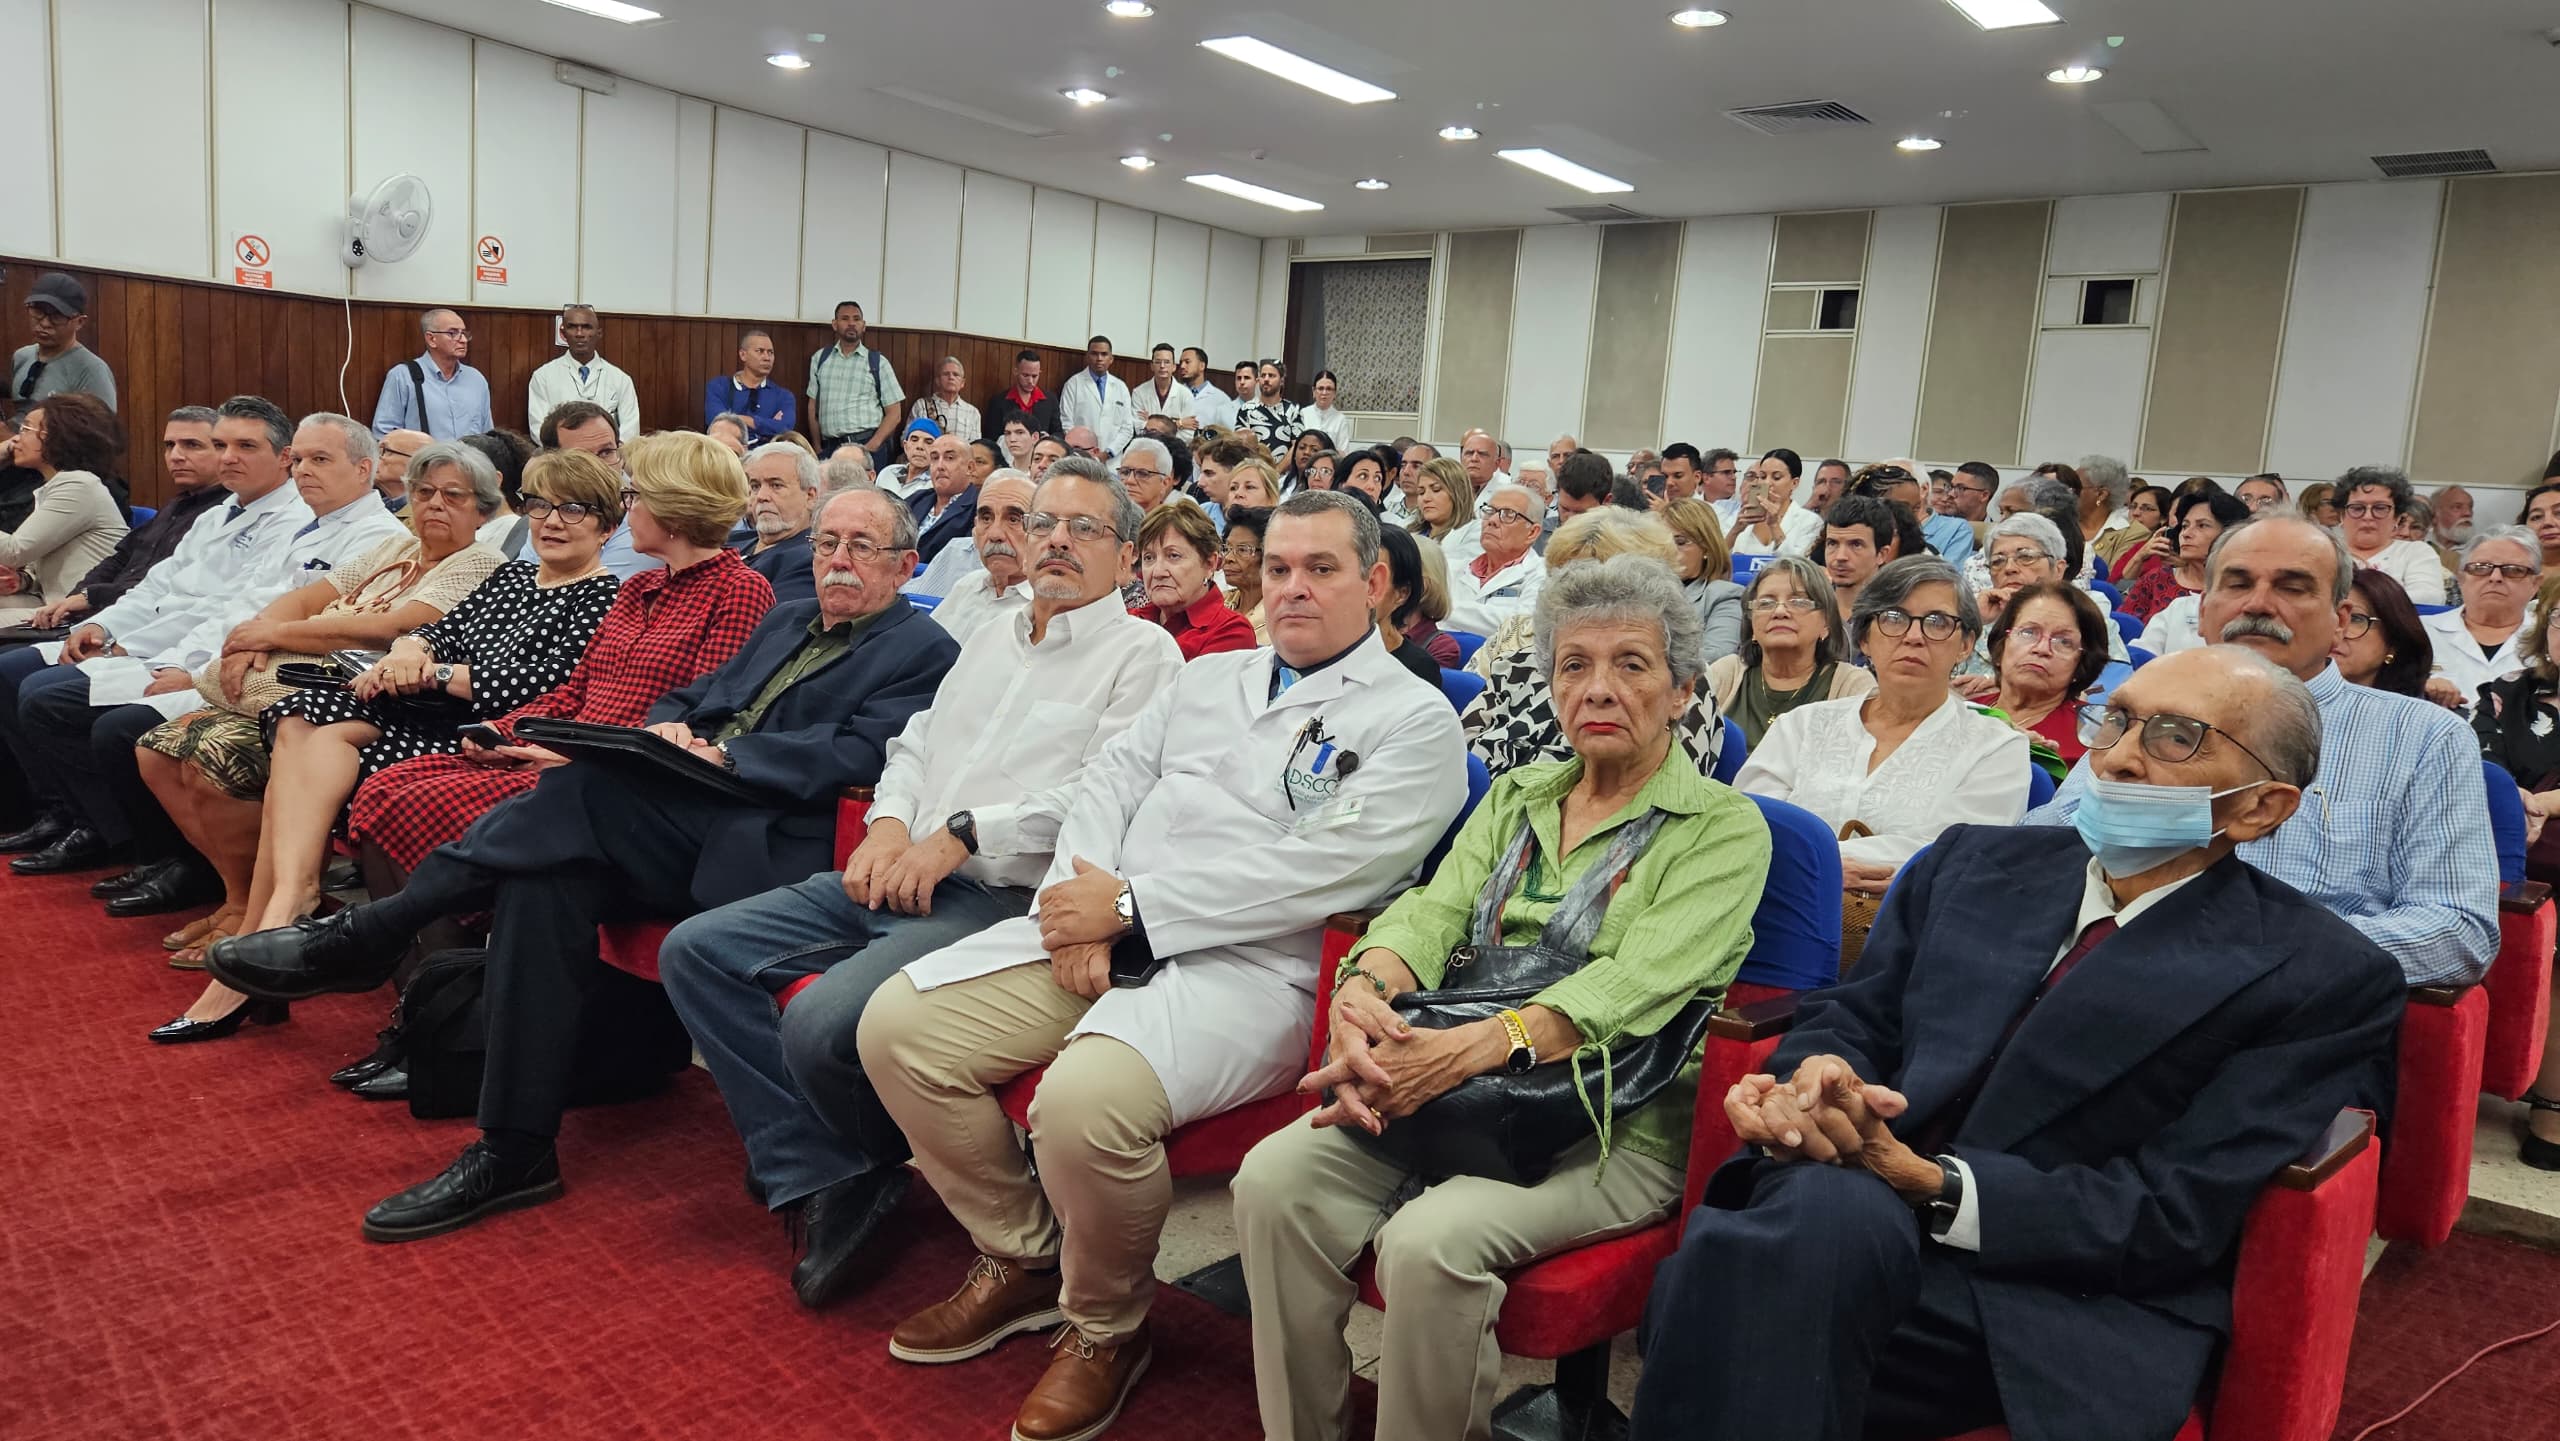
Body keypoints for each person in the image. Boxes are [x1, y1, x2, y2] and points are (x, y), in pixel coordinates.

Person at [1634, 648, 2400, 1441]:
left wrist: (1928, 1181)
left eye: (2176, 736)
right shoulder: (1973, 861)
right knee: (1810, 1231)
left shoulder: (2319, 974)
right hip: (1841, 1204)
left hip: (2041, 1289)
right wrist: (1817, 1079)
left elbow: (2173, 1211)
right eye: (2117, 719)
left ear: (2261, 807)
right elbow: (1855, 1015)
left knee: (1734, 1274)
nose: (2119, 755)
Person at [849, 490, 1468, 1441]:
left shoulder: (1414, 721)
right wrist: (1081, 907)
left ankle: (1106, 1326)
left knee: (1082, 1107)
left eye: (1322, 569)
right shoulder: (1210, 676)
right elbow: (1109, 782)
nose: (1293, 588)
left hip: (1249, 967)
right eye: (1278, 568)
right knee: (898, 1031)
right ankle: (1023, 1252)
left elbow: (1323, 870)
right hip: (1100, 930)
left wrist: (1134, 909)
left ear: (1378, 581)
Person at [211, 488, 954, 1246]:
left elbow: (860, 753)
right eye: (827, 542)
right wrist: (671, 728)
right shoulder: (788, 618)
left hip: (766, 843)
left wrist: (728, 754)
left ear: (906, 565)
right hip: (676, 811)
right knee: (545, 877)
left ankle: (375, 932)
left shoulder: (926, 651)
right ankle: (515, 1147)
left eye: (861, 546)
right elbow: (695, 695)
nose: (837, 559)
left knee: (579, 789)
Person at [1236, 555, 1772, 1441]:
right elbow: (1429, 913)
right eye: (1574, 664)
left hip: (1611, 1115)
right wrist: (1363, 996)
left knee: (1429, 1242)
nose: (1598, 687)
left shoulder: (1722, 826)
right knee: (1271, 1181)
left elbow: (1629, 985)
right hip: (1451, 1085)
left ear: (1682, 691)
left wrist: (1463, 1052)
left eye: (1631, 664)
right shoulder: (1518, 795)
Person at [650, 461, 1178, 1305]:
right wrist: (891, 823)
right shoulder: (992, 637)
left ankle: (837, 1166)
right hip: (902, 863)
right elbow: (915, 743)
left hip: (1001, 896)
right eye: (1043, 523)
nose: (1057, 541)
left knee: (823, 1022)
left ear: (1127, 553)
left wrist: (959, 836)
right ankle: (830, 1169)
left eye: (1085, 528)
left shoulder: (1143, 655)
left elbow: (1102, 793)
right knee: (696, 951)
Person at [187, 448, 622, 1067]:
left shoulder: (601, 596)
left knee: (317, 731)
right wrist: (409, 650)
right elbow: (441, 629)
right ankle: (291, 899)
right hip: (421, 709)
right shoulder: (515, 578)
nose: (551, 521)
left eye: (573, 510)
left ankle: (280, 917)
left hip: (471, 729)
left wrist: (432, 671)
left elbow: (533, 685)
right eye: (540, 506)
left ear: (607, 526)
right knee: (299, 713)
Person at [2030, 515, 2497, 987]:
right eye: (2237, 584)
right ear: (2204, 611)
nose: (2258, 605)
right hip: (2100, 967)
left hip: (2280, 999)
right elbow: (2041, 850)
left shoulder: (2422, 737)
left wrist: (2253, 955)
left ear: (2340, 622)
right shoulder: (2139, 710)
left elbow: (2457, 928)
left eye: (2293, 588)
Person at [138, 448, 506, 1027]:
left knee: (259, 734)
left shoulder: (480, 562)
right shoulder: (397, 547)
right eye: (423, 492)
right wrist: (260, 633)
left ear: (482, 509)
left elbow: (393, 628)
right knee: (165, 741)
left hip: (374, 696)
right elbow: (309, 597)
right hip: (317, 689)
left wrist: (275, 637)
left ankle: (267, 924)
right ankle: (261, 915)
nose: (434, 504)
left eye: (453, 495)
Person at [2, 405, 405, 894]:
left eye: (318, 460)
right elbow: (183, 592)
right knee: (36, 688)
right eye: (301, 459)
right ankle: (129, 841)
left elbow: (298, 626)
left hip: (278, 677)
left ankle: (178, 861)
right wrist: (109, 629)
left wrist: (190, 670)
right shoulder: (289, 523)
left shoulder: (375, 537)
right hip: (201, 651)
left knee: (109, 725)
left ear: (363, 469)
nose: (303, 471)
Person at [1736, 556, 2031, 900]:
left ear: (1965, 645)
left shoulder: (1997, 749)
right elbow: (1748, 824)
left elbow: (1949, 854)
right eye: (1893, 618)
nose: (1914, 637)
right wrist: (1823, 868)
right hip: (1779, 906)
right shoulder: (1801, 726)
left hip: (1908, 919)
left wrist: (1812, 863)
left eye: (1937, 622)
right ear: (1864, 638)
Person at [1461, 511, 1726, 779]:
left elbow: (1671, 788)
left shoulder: (1679, 678)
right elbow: (1460, 756)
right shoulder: (1515, 664)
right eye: (1565, 580)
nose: (1583, 600)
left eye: (1604, 585)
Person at [17, 406, 225, 646]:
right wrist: (77, 596)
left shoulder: (224, 513)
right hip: (99, 613)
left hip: (145, 628)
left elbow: (165, 585)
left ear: (224, 452)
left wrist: (90, 597)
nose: (176, 455)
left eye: (192, 445)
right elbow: (119, 558)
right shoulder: (178, 504)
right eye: (170, 445)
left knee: (13, 662)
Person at [1706, 556, 1876, 748]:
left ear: (1826, 624)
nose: (1780, 612)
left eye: (1798, 602)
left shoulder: (1852, 686)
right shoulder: (1725, 673)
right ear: (1751, 623)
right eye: (1766, 603)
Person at [0, 393, 129, 612]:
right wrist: (22, 580)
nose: (16, 439)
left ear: (59, 438)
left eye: (26, 429)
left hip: (82, 612)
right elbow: (42, 565)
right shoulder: (53, 486)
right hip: (51, 603)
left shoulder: (78, 485)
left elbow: (14, 551)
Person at [1984, 580, 2111, 764]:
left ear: (2081, 664)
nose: (2042, 649)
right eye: (2028, 632)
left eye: (2064, 642)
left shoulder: (2090, 741)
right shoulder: (1965, 707)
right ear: (2001, 645)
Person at [2424, 527, 2539, 710]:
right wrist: (2419, 688)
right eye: (2480, 568)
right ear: (2461, 578)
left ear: (2535, 584)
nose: (2495, 577)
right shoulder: (2420, 631)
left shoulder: (2549, 636)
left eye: (2513, 570)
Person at [1131, 499, 1255, 660]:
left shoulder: (1232, 632)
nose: (1158, 572)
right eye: (1149, 557)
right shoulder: (1129, 619)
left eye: (1173, 556)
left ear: (1210, 564)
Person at [2122, 488, 2247, 622]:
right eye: (2184, 526)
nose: (2186, 534)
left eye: (2202, 525)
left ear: (2230, 533)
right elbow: (2121, 626)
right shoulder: (2156, 579)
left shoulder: (2243, 587)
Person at [10, 273, 116, 423]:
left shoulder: (92, 370)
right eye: (38, 312)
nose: (45, 323)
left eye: (57, 317)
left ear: (79, 322)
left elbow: (102, 432)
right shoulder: (21, 356)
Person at [370, 309, 491, 441]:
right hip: (422, 455)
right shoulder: (403, 376)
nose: (463, 340)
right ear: (431, 339)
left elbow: (487, 435)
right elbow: (384, 434)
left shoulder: (476, 380)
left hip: (470, 454)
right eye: (453, 333)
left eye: (464, 333)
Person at [1447, 480, 1546, 636]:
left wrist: (1444, 609)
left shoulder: (1543, 574)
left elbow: (1521, 626)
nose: (1492, 521)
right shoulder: (1453, 568)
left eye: (1508, 514)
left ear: (1532, 532)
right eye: (1489, 511)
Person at [525, 305, 640, 440]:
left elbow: (630, 429)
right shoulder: (543, 377)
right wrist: (570, 450)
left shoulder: (620, 379)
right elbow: (538, 428)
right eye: (572, 327)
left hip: (607, 452)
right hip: (562, 452)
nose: (579, 334)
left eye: (586, 327)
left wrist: (607, 449)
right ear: (563, 333)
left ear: (599, 333)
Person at [2336, 465, 2446, 605]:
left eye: (2380, 508)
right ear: (2342, 516)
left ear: (2397, 517)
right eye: (2357, 508)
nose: (2368, 516)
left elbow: (2430, 597)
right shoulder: (2326, 551)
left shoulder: (2415, 552)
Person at [807, 301, 902, 457]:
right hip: (830, 448)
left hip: (866, 445)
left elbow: (894, 413)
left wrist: (872, 446)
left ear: (863, 326)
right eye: (845, 318)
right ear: (835, 324)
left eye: (856, 319)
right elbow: (812, 407)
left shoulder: (878, 362)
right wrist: (817, 447)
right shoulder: (820, 359)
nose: (851, 323)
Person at [739, 442, 821, 605]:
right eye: (755, 486)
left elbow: (770, 617)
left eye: (776, 485)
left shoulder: (808, 560)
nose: (761, 496)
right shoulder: (731, 539)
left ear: (810, 496)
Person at [1663, 498, 1744, 661]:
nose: (1669, 550)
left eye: (1680, 542)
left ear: (1706, 547)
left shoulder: (1724, 595)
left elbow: (1717, 655)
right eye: (1662, 542)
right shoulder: (1642, 592)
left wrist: (1652, 661)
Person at [2332, 568, 2432, 697]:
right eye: (2330, 616)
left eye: (2356, 619)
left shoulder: (2416, 709)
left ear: (2394, 644)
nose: (2336, 629)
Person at [1371, 526, 1445, 686]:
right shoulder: (1322, 651)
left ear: (1401, 593)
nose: (1361, 590)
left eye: (1374, 581)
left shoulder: (1418, 668)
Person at [1815, 493, 1905, 618]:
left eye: (1856, 545)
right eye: (1832, 543)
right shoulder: (1809, 610)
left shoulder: (1897, 616)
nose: (1840, 556)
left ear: (1881, 554)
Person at [1727, 448, 1823, 558]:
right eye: (1763, 477)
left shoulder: (1810, 522)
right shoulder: (1740, 516)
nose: (1767, 483)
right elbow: (1716, 559)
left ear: (1794, 483)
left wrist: (1774, 526)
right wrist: (1735, 531)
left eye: (1776, 477)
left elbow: (1799, 564)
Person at [705, 328, 795, 443]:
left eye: (770, 352)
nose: (767, 358)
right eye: (760, 351)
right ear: (743, 355)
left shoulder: (783, 396)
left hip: (767, 453)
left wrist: (734, 418)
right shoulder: (719, 386)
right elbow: (716, 422)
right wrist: (768, 425)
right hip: (728, 451)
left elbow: (785, 429)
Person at [1058, 336, 1136, 458]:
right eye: (1094, 354)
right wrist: (1083, 451)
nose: (1099, 358)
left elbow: (1127, 428)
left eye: (1104, 354)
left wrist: (1108, 453)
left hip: (1113, 459)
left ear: (1111, 359)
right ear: (1087, 357)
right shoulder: (1073, 384)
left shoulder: (1120, 387)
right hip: (1082, 456)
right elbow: (1066, 422)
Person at [909, 434, 979, 566]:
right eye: (935, 458)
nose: (939, 466)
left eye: (950, 458)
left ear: (970, 468)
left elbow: (964, 562)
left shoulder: (979, 507)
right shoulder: (917, 499)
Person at [2074, 453, 2149, 569]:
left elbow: (2117, 576)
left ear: (2101, 494)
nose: (2066, 492)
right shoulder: (2060, 524)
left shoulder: (2133, 533)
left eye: (2075, 487)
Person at [1407, 456, 1479, 560]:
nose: (1426, 498)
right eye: (1421, 492)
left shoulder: (1476, 532)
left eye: (1436, 489)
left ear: (1459, 492)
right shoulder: (1407, 528)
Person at [1220, 505, 1272, 644]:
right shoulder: (1219, 602)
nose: (1228, 558)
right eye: (1227, 548)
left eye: (1243, 550)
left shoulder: (1280, 616)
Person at [1237, 359, 1302, 454]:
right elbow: (1240, 445)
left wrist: (1280, 465)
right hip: (1254, 462)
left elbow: (1297, 446)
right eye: (1263, 375)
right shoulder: (1246, 409)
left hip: (1284, 463)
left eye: (1271, 376)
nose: (1266, 379)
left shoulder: (1293, 410)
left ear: (1282, 381)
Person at [1131, 343, 1196, 436]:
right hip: (1147, 444)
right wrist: (1178, 424)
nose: (1162, 366)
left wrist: (1150, 423)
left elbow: (1188, 433)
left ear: (1174, 367)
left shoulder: (1185, 394)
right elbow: (1139, 428)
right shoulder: (1139, 392)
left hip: (1176, 445)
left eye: (1167, 362)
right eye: (1158, 362)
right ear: (1152, 366)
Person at [1299, 370, 1351, 451]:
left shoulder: (1341, 420)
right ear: (1314, 391)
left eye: (1329, 389)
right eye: (1320, 388)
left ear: (1334, 393)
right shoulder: (1303, 414)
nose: (1324, 393)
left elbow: (1343, 452)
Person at [2433, 484, 2476, 549]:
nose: (2468, 513)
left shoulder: (2480, 549)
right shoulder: (2419, 544)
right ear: (2435, 514)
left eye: (2470, 507)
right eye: (2457, 507)